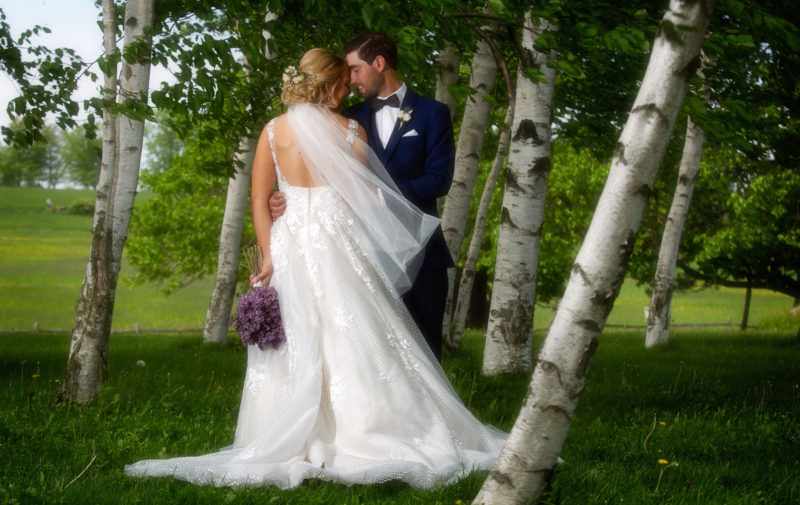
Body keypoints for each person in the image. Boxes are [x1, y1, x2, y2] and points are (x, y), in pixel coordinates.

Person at [125, 48, 506, 490]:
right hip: (339, 243)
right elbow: (362, 199)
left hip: (290, 244)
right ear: (328, 86)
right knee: (356, 330)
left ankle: (289, 432)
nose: (348, 89)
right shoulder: (350, 131)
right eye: (343, 82)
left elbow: (258, 199)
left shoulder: (272, 132)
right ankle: (369, 428)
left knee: (304, 331)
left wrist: (268, 256)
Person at [272, 32, 454, 361]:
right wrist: (283, 197)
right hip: (357, 249)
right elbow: (307, 164)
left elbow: (440, 180)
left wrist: (380, 196)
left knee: (427, 347)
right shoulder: (346, 119)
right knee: (372, 352)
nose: (350, 78)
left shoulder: (432, 113)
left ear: (379, 63)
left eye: (355, 70)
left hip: (422, 250)